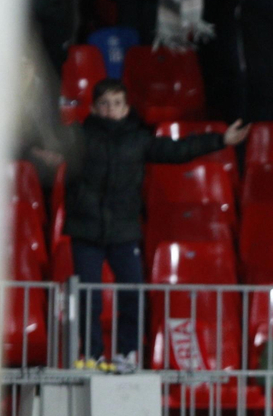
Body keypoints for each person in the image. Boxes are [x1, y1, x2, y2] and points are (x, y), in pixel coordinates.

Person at [48, 80, 249, 369]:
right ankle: (91, 355)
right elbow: (42, 142)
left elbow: (179, 150)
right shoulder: (77, 138)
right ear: (93, 108)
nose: (111, 110)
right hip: (86, 231)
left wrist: (220, 140)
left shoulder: (139, 139)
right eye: (105, 104)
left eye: (117, 103)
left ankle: (127, 353)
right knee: (88, 298)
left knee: (132, 295)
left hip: (125, 232)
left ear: (126, 107)